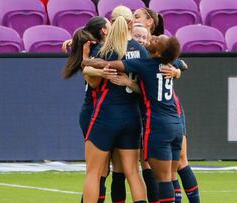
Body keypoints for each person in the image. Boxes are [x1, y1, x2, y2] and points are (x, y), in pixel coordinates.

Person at [82, 34, 183, 203]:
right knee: (160, 175)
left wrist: (85, 59)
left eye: (156, 40)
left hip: (158, 126)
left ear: (158, 52)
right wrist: (177, 71)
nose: (151, 38)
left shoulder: (145, 64)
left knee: (163, 179)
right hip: (175, 124)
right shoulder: (171, 63)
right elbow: (183, 63)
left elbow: (107, 64)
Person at [133, 8, 200, 203]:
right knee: (151, 165)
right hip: (144, 110)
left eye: (137, 16)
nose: (132, 18)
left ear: (149, 23)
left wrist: (176, 70)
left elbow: (181, 63)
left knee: (178, 162)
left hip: (167, 112)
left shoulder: (156, 45)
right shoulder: (132, 43)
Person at [82, 6, 148, 203]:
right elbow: (146, 87)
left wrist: (88, 61)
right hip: (132, 117)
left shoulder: (106, 50)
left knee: (94, 173)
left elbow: (87, 71)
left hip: (107, 115)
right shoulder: (141, 50)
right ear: (130, 23)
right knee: (133, 173)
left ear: (112, 22)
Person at [62, 16, 112, 203]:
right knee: (98, 170)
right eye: (109, 24)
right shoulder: (98, 51)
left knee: (102, 170)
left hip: (95, 111)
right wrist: (100, 70)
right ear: (103, 31)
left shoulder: (94, 50)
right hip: (94, 112)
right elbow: (90, 75)